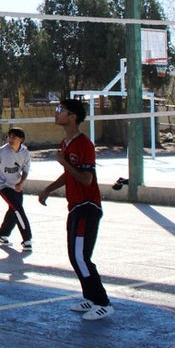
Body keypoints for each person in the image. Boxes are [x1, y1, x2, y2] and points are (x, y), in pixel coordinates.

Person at [38, 99, 113, 321]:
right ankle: (89, 297)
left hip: (87, 207)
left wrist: (63, 162)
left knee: (81, 257)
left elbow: (86, 179)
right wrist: (48, 189)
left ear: (73, 117)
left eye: (60, 110)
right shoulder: (66, 143)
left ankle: (102, 302)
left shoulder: (85, 145)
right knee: (74, 256)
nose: (56, 113)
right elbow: (70, 174)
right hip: (75, 207)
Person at [0, 127, 32, 250]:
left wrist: (21, 183)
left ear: (21, 139)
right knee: (18, 210)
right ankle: (27, 239)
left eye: (14, 137)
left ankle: (1, 235)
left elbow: (26, 170)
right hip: (3, 185)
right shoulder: (0, 152)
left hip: (16, 186)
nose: (11, 139)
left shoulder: (25, 153)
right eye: (10, 136)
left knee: (13, 211)